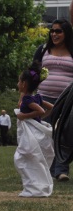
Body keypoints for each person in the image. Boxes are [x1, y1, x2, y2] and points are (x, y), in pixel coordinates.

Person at [34, 19, 73, 182]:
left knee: (63, 136)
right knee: (44, 135)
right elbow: (32, 73)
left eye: (59, 31)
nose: (54, 34)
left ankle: (61, 170)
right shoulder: (43, 50)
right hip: (43, 99)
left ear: (66, 33)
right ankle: (44, 170)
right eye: (52, 31)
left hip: (66, 101)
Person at [15, 63, 54, 197]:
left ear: (24, 84)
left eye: (19, 81)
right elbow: (51, 108)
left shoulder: (27, 99)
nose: (18, 83)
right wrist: (40, 117)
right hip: (35, 132)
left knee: (21, 158)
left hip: (31, 134)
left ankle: (34, 186)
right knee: (29, 159)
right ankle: (34, 185)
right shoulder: (37, 97)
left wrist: (24, 116)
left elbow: (41, 110)